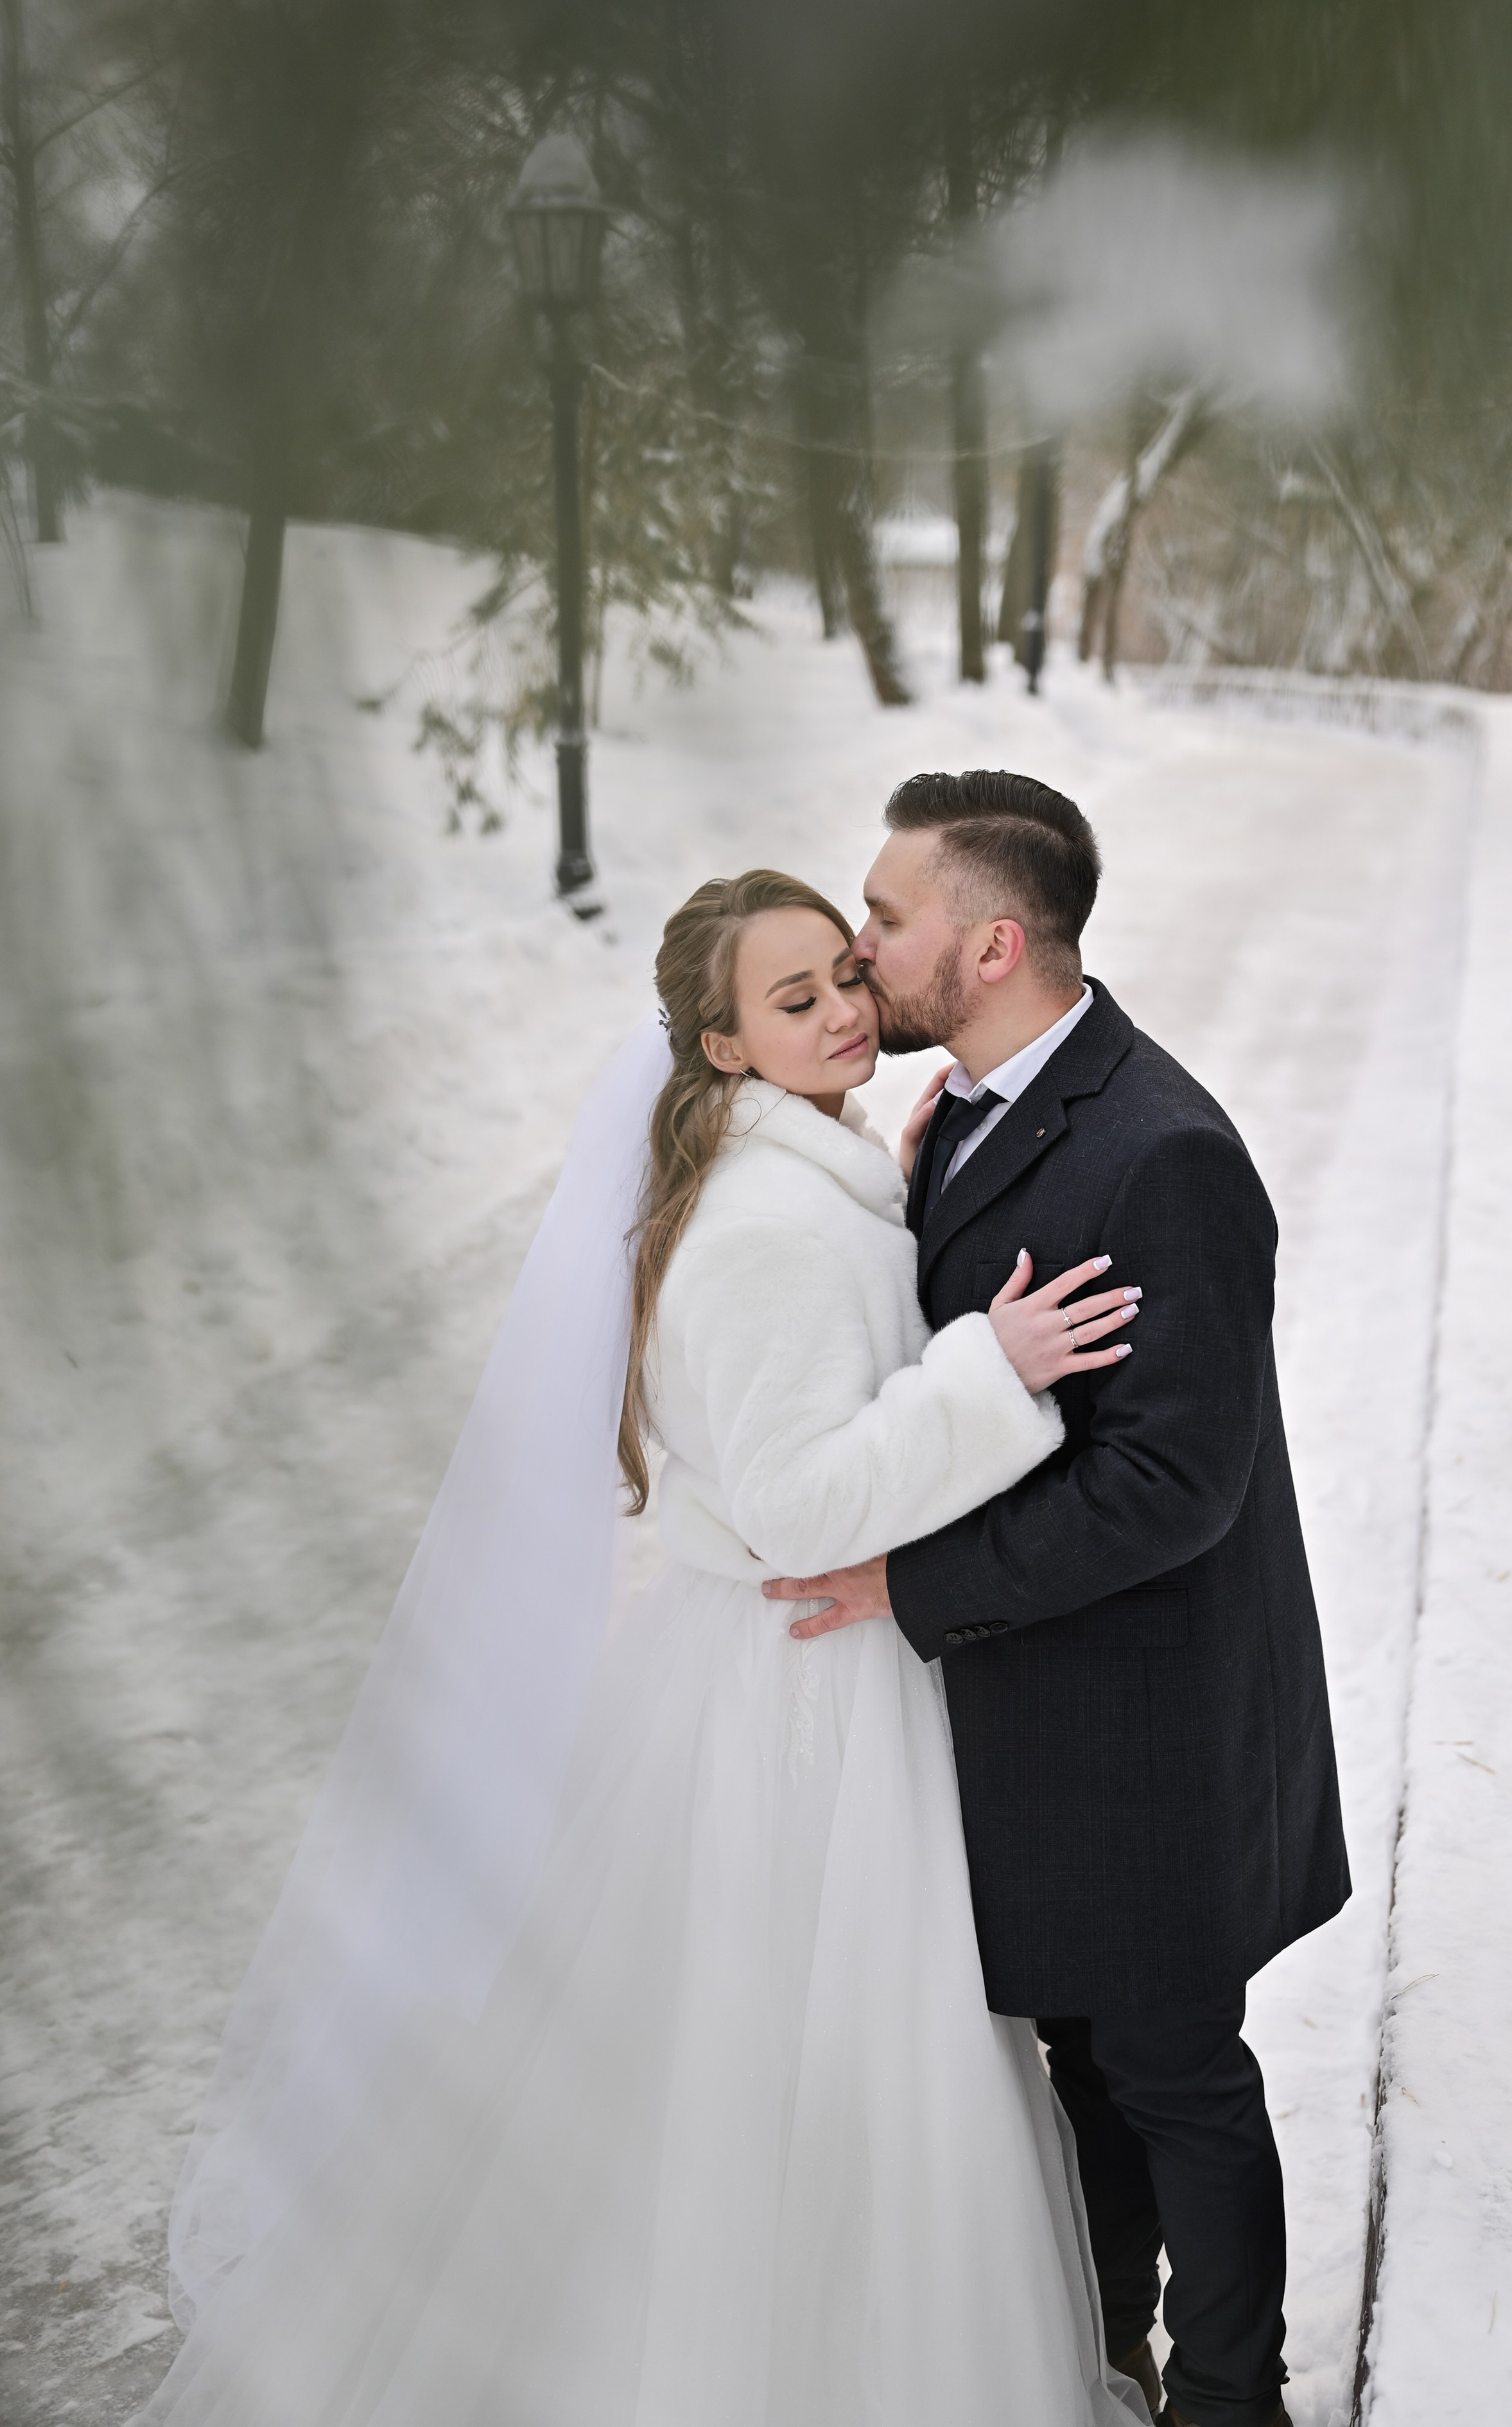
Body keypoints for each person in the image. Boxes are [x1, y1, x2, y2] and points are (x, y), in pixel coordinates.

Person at [131, 868, 1160, 2427]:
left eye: (840, 975)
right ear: (722, 1046)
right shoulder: (763, 1225)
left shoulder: (805, 1179)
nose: (838, 1010)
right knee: (801, 2077)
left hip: (801, 1670)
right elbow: (798, 1500)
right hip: (801, 1696)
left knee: (781, 2080)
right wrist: (986, 1374)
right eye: (790, 1000)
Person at [763, 773, 1352, 2427]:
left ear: (994, 939)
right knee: (1083, 2070)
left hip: (1149, 1729)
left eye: (886, 920)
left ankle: (1233, 2399)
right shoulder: (962, 1102)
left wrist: (907, 1580)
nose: (859, 944)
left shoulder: (1164, 1153)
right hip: (1040, 1721)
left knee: (1171, 2076)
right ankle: (1100, 2349)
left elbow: (1176, 1483)